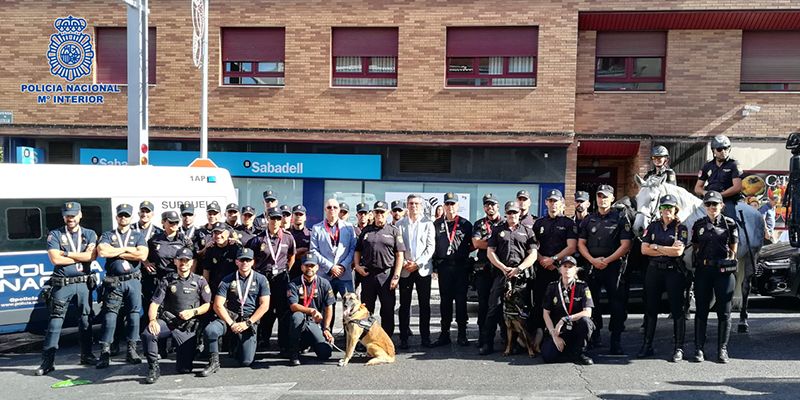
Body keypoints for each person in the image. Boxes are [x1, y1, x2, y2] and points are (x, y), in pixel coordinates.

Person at [35, 202, 98, 376]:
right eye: (67, 215)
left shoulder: (89, 234)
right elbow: (55, 259)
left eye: (73, 215)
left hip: (84, 284)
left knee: (86, 320)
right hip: (63, 283)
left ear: (80, 215)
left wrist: (66, 253)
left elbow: (90, 256)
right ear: (64, 217)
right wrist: (79, 257)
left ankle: (87, 355)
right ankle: (47, 362)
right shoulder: (55, 234)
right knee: (55, 323)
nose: (70, 218)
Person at [141, 247, 211, 383]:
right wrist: (152, 320)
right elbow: (155, 303)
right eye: (180, 260)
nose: (183, 263)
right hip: (169, 322)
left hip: (187, 327)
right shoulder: (167, 280)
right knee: (149, 333)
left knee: (184, 368)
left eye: (186, 260)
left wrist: (193, 312)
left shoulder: (200, 281)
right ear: (175, 261)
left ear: (192, 263)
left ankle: (190, 350)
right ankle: (153, 367)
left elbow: (207, 305)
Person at [577, 184, 632, 355]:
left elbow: (626, 245)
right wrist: (593, 260)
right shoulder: (588, 219)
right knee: (592, 303)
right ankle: (594, 336)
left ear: (612, 198)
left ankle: (616, 340)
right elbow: (580, 243)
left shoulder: (621, 219)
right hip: (592, 267)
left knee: (617, 304)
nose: (602, 199)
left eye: (605, 196)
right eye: (600, 196)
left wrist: (606, 260)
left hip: (613, 267)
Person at [481, 201, 538, 355]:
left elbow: (533, 254)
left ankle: (520, 344)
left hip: (520, 276)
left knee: (522, 312)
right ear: (506, 214)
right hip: (502, 274)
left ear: (519, 214)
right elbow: (490, 252)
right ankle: (487, 343)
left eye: (515, 212)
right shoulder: (498, 229)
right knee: (494, 309)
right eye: (510, 213)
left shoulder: (527, 231)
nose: (512, 215)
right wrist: (503, 267)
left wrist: (519, 268)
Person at [201, 248, 270, 375]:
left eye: (248, 260)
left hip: (248, 320)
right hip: (230, 317)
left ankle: (236, 345)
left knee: (246, 361)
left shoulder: (261, 279)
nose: (245, 263)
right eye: (242, 260)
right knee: (210, 330)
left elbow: (264, 305)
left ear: (252, 262)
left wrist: (248, 323)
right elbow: (218, 305)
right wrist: (231, 323)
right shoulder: (227, 279)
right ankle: (213, 362)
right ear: (236, 262)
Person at [96, 203, 149, 369]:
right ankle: (105, 352)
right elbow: (103, 252)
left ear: (131, 217)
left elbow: (142, 254)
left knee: (134, 315)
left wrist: (117, 250)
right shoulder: (107, 234)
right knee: (110, 316)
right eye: (121, 215)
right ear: (116, 217)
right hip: (114, 281)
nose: (123, 218)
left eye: (126, 215)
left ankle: (132, 350)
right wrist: (129, 251)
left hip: (133, 280)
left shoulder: (138, 235)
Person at [639, 194, 689, 362]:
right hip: (654, 270)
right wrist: (666, 249)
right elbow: (644, 250)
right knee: (651, 308)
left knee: (677, 310)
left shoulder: (681, 228)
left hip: (673, 271)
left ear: (675, 210)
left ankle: (678, 347)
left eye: (669, 208)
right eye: (663, 207)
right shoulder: (653, 226)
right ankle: (647, 345)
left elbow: (678, 252)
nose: (666, 211)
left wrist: (657, 247)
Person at [691, 191, 738, 364]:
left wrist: (728, 263)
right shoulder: (698, 224)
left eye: (715, 204)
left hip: (723, 272)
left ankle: (722, 349)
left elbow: (734, 248)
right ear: (705, 206)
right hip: (704, 270)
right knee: (701, 310)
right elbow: (695, 245)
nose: (712, 207)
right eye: (708, 204)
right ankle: (698, 349)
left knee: (724, 312)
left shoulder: (730, 224)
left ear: (721, 205)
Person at [532, 189, 578, 351]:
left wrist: (553, 260)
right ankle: (539, 337)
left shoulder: (568, 223)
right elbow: (532, 246)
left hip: (561, 270)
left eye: (556, 201)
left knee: (561, 303)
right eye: (550, 201)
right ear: (546, 203)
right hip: (542, 269)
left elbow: (571, 247)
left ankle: (562, 336)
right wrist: (542, 260)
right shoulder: (539, 223)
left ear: (562, 204)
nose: (553, 204)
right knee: (540, 302)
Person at [246, 207, 296, 354]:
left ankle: (283, 343)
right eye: (272, 218)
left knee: (282, 310)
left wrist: (286, 269)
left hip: (280, 278)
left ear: (282, 220)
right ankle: (264, 339)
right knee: (265, 309)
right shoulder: (259, 238)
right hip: (264, 277)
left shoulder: (288, 237)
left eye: (278, 218)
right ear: (267, 218)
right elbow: (251, 259)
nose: (275, 221)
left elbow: (292, 256)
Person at [354, 200, 406, 338]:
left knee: (387, 310)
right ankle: (365, 340)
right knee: (366, 311)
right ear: (373, 213)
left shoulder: (394, 231)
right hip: (368, 275)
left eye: (382, 212)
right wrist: (357, 266)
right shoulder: (366, 230)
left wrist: (396, 276)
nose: (379, 215)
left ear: (388, 213)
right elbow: (357, 250)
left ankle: (386, 339)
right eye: (377, 212)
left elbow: (400, 254)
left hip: (386, 276)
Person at [431, 192, 473, 347]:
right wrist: (435, 266)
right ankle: (444, 334)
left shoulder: (465, 224)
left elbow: (473, 244)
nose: (450, 207)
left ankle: (462, 334)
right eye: (447, 204)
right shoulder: (436, 224)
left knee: (461, 301)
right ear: (443, 206)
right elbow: (433, 246)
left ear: (458, 206)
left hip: (461, 267)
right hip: (444, 267)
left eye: (453, 204)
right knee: (445, 302)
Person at [396, 194, 436, 349]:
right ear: (407, 205)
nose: (414, 206)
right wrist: (406, 263)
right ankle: (403, 338)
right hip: (405, 269)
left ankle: (425, 338)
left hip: (422, 270)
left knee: (424, 305)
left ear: (421, 206)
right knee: (404, 305)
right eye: (411, 203)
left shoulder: (428, 223)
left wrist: (417, 263)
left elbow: (430, 247)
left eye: (417, 204)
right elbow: (397, 247)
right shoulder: (400, 224)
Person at [310, 199, 357, 325]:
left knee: (350, 307)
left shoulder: (349, 227)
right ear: (325, 210)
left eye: (335, 207)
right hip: (325, 275)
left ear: (339, 210)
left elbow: (353, 249)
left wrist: (342, 266)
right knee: (326, 307)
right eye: (329, 207)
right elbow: (313, 251)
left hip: (344, 274)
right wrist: (331, 267)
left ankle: (349, 337)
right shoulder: (317, 228)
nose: (332, 210)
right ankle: (325, 336)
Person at [541, 256, 594, 365]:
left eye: (571, 267)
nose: (567, 269)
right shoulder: (552, 287)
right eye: (565, 266)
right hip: (559, 330)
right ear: (560, 269)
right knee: (548, 357)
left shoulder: (583, 286)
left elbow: (588, 312)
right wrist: (554, 335)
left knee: (585, 321)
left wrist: (565, 319)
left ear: (576, 270)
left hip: (576, 328)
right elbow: (546, 313)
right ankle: (570, 352)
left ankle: (581, 352)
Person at [286, 254, 335, 366]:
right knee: (296, 316)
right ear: (302, 267)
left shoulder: (324, 283)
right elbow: (293, 306)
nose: (309, 268)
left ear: (317, 267)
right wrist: (311, 311)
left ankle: (311, 342)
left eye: (312, 266)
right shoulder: (294, 283)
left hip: (314, 323)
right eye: (306, 265)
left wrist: (326, 328)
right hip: (300, 321)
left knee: (325, 353)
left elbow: (329, 307)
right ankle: (294, 353)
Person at [472, 193, 506, 350]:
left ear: (498, 206)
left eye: (492, 204)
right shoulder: (479, 224)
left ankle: (505, 338)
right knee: (484, 305)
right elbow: (476, 243)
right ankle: (483, 338)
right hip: (484, 271)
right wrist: (495, 244)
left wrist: (490, 244)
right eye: (487, 205)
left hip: (500, 270)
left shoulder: (505, 223)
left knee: (502, 305)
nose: (489, 207)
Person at [144, 211, 194, 308]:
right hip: (159, 279)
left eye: (176, 222)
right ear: (163, 222)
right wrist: (146, 263)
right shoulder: (155, 240)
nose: (174, 224)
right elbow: (143, 252)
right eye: (171, 222)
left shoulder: (184, 240)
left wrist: (188, 277)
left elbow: (193, 258)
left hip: (177, 278)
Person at [694, 134, 744, 221]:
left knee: (731, 220)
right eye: (719, 149)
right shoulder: (707, 165)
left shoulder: (733, 164)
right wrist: (705, 193)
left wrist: (719, 196)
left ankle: (734, 233)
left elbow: (737, 187)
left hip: (727, 200)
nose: (723, 151)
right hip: (709, 199)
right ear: (713, 151)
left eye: (726, 148)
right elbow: (697, 188)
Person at [201, 222, 241, 294]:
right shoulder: (210, 249)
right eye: (215, 233)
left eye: (220, 233)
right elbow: (206, 271)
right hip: (215, 288)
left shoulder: (235, 248)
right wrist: (205, 290)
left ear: (228, 234)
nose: (218, 236)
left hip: (232, 288)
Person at [289, 205, 311, 280]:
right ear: (292, 216)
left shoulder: (310, 234)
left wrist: (294, 253)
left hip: (306, 272)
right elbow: (285, 254)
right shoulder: (287, 234)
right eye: (296, 214)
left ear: (305, 217)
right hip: (290, 270)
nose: (298, 216)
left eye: (301, 214)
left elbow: (310, 253)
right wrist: (300, 251)